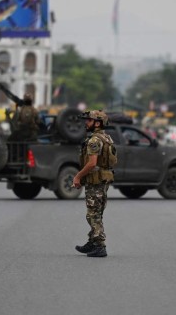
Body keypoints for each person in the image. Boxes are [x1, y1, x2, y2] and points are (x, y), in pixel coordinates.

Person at [72, 110, 117, 258]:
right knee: (97, 212)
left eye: (89, 120)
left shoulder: (94, 140)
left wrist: (77, 177)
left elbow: (92, 164)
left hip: (95, 181)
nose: (86, 123)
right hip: (102, 180)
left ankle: (99, 245)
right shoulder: (107, 138)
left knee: (93, 214)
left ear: (97, 123)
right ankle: (92, 241)